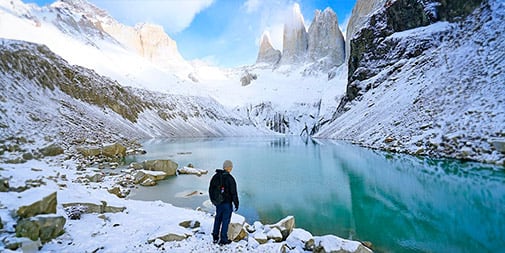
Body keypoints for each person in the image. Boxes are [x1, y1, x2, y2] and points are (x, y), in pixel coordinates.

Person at [209, 160, 239, 245]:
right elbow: (234, 193)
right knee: (225, 220)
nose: (231, 168)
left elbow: (211, 189)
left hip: (218, 203)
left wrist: (213, 200)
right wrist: (236, 203)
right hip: (227, 203)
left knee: (218, 218)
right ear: (229, 168)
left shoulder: (216, 176)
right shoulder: (230, 178)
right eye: (231, 167)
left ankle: (215, 236)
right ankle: (223, 239)